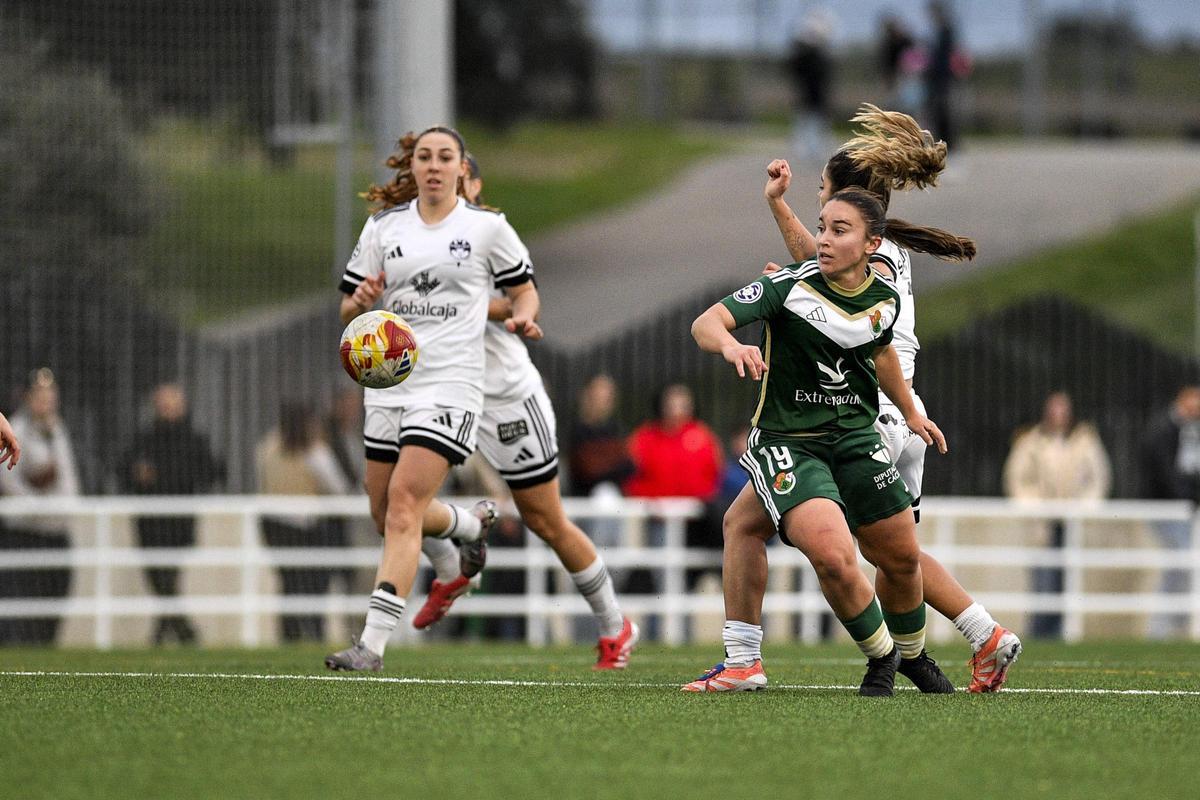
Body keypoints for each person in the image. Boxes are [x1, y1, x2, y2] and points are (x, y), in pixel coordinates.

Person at [754, 104, 1021, 692]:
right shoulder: (884, 247)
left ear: (848, 203)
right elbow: (812, 272)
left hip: (864, 417)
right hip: (903, 415)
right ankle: (981, 634)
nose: (821, 217)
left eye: (823, 195)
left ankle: (746, 655)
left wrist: (779, 220)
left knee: (753, 524)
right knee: (897, 555)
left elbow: (817, 271)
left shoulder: (865, 254)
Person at [684, 188, 953, 697]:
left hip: (856, 439)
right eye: (822, 227)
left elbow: (882, 354)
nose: (823, 240)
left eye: (838, 230)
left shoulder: (884, 299)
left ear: (872, 244)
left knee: (901, 558)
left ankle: (913, 658)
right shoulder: (787, 286)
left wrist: (912, 412)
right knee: (832, 554)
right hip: (791, 444)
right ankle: (883, 657)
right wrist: (731, 345)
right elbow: (705, 323)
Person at [324, 126, 542, 672]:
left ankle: (371, 645)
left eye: (445, 157)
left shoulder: (487, 228)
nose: (434, 165)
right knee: (384, 513)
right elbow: (348, 310)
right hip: (389, 385)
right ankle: (466, 527)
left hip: (451, 384)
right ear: (413, 167)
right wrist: (362, 300)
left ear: (461, 168)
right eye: (425, 156)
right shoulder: (384, 227)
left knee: (404, 504)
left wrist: (524, 316)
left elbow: (524, 290)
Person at [410, 153, 638, 669]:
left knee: (545, 519)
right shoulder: (409, 237)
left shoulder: (490, 234)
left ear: (473, 184)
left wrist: (490, 311)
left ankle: (614, 624)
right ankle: (454, 562)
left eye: (457, 174)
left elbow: (521, 299)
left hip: (506, 396)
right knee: (398, 497)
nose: (443, 180)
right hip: (446, 392)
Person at [117, 383, 223, 645]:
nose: (168, 411)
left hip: (179, 523)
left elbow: (214, 471)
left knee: (167, 580)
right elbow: (122, 470)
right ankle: (181, 632)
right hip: (149, 524)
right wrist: (136, 474)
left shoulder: (194, 441)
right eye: (163, 405)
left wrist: (170, 477)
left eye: (172, 405)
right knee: (159, 579)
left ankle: (173, 634)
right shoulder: (144, 439)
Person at [1003, 391, 1110, 638]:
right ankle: (1040, 633)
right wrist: (1036, 506)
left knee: (1068, 579)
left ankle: (1061, 632)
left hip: (1074, 523)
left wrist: (1084, 508)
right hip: (1042, 523)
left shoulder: (1085, 440)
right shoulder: (1031, 441)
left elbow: (1098, 478)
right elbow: (1017, 479)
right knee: (1044, 579)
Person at [257, 401, 352, 642]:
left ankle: (290, 634)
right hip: (306, 526)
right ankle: (313, 631)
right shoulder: (314, 452)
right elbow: (338, 488)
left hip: (273, 525)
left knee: (289, 582)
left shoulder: (268, 446)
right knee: (313, 583)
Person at [0, 369, 79, 645]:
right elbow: (9, 484)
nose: (46, 402)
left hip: (56, 533)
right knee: (22, 612)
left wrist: (62, 508)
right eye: (40, 396)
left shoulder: (58, 430)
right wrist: (42, 507)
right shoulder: (16, 428)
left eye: (50, 396)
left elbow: (69, 482)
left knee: (52, 606)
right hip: (25, 534)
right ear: (28, 398)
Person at [1138, 385, 1199, 637]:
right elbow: (1166, 473)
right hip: (1165, 509)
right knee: (1179, 563)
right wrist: (1187, 497)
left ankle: (1172, 623)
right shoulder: (1163, 429)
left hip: (1180, 509)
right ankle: (1161, 627)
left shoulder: (1187, 429)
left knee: (1181, 566)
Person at [786, 9, 835, 164]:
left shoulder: (816, 58)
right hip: (809, 94)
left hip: (815, 95)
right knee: (807, 123)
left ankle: (814, 151)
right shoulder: (809, 58)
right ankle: (808, 151)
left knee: (814, 123)